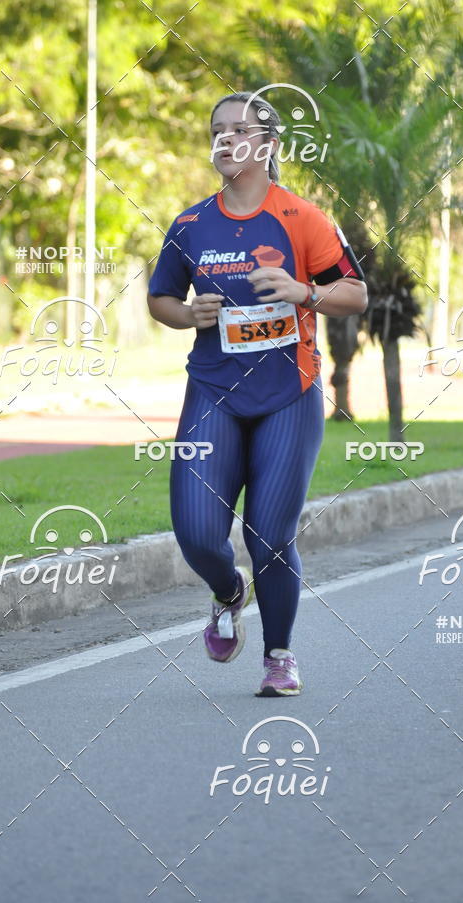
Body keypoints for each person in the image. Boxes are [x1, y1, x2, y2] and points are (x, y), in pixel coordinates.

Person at [147, 90, 367, 696]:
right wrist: (188, 315)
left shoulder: (303, 218)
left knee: (268, 535)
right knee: (196, 533)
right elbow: (161, 298)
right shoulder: (191, 225)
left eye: (240, 129)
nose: (226, 138)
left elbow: (355, 293)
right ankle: (227, 591)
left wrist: (303, 292)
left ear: (269, 144)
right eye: (217, 129)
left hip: (287, 396)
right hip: (213, 393)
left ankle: (278, 656)